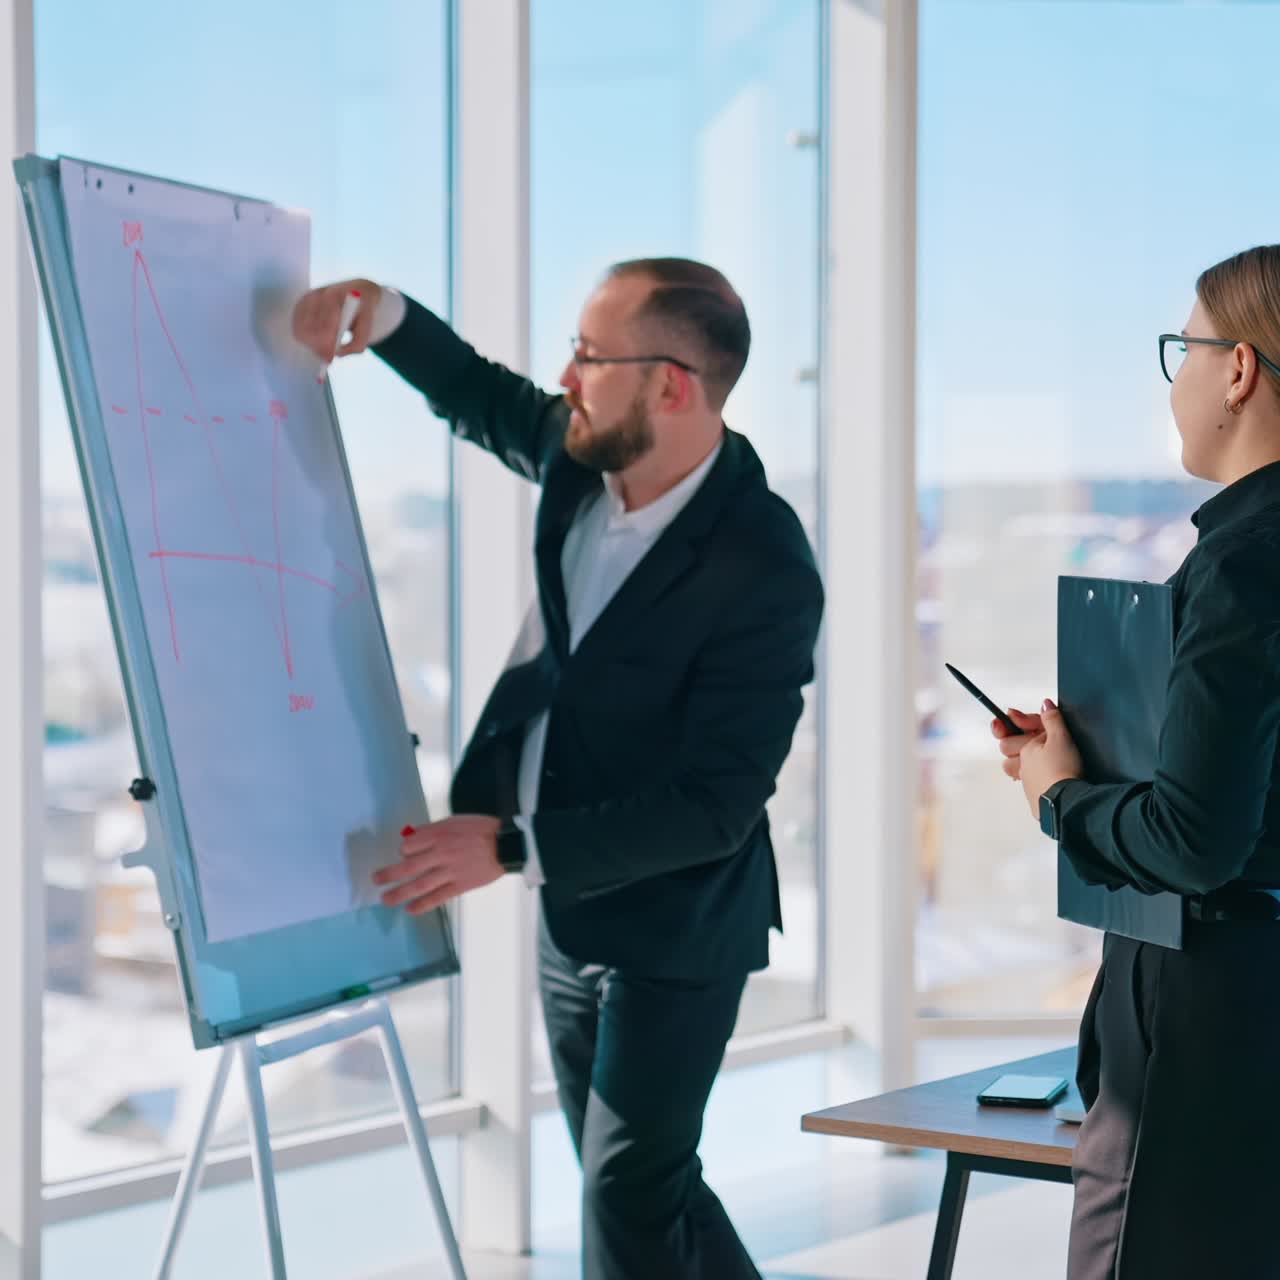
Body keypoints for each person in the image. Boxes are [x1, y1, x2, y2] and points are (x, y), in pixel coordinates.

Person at [293, 258, 824, 1280]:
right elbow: (480, 394)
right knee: (639, 1177)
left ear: (670, 383)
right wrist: (381, 312)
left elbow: (715, 807)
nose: (566, 376)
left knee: (624, 1190)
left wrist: (506, 844)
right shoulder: (586, 460)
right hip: (571, 910)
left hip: (678, 924)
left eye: (588, 354)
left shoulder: (762, 562)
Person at [992, 245, 1280, 1279]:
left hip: (1215, 1002)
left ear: (1237, 369)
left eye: (1184, 350)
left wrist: (1058, 794)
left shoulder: (1244, 565)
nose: (1175, 382)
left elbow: (1193, 840)